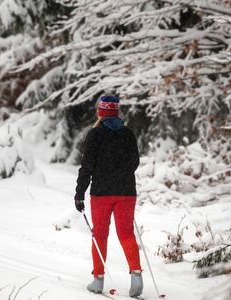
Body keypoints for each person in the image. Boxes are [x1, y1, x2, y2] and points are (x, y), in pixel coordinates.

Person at [74, 95, 142, 297]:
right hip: (126, 192)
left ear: (100, 112)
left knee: (100, 235)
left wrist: (79, 193)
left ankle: (98, 280)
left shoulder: (95, 135)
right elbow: (135, 162)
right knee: (127, 234)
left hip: (101, 193)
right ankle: (136, 277)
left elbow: (87, 166)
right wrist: (121, 174)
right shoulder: (128, 134)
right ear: (117, 112)